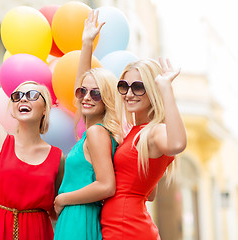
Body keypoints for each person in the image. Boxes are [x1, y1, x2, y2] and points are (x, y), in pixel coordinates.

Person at [80, 10, 187, 240]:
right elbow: (149, 195)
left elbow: (178, 143)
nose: (129, 93)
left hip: (127, 230)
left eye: (138, 87)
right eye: (123, 86)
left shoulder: (153, 132)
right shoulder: (134, 133)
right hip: (122, 227)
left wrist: (166, 88)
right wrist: (87, 45)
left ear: (153, 91)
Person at [0, 10, 64, 240]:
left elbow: (58, 212)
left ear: (45, 108)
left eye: (32, 95)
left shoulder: (58, 158)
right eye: (17, 96)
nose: (23, 99)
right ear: (13, 107)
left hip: (38, 234)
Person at [53, 10, 122, 240]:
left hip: (79, 216)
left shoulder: (96, 132)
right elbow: (80, 85)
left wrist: (63, 198)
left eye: (96, 93)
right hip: (76, 215)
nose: (86, 97)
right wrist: (86, 44)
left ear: (108, 99)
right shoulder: (91, 130)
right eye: (83, 91)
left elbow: (106, 186)